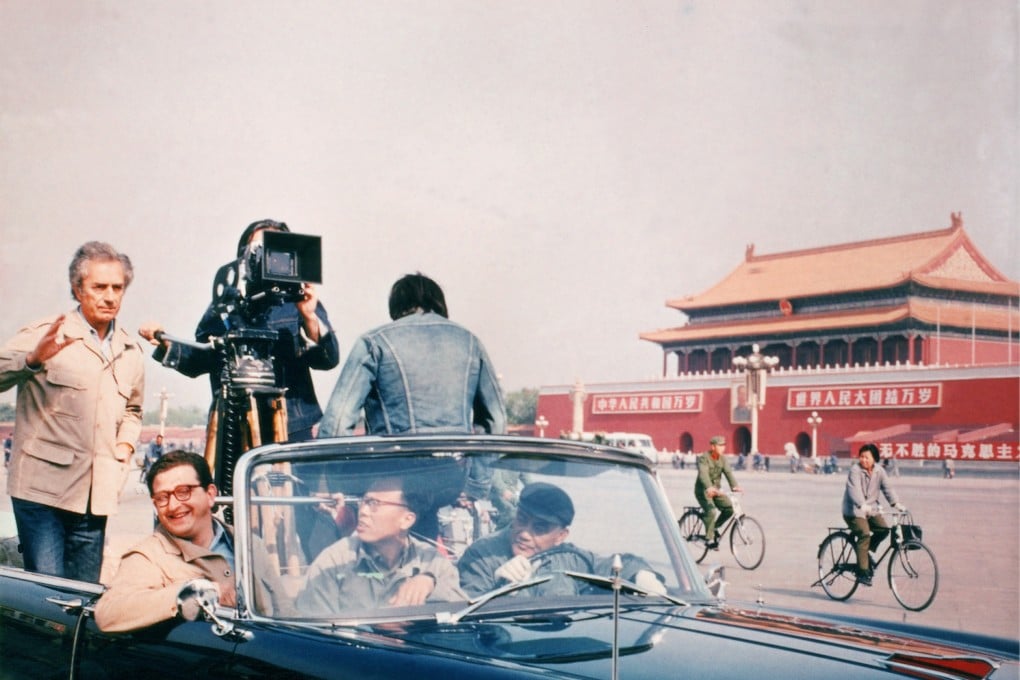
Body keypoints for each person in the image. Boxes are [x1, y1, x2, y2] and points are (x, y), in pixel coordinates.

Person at [0, 241, 144, 582]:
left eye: (117, 287)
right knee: (49, 598)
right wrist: (32, 360)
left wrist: (123, 450)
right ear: (78, 289)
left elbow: (134, 411)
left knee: (84, 601)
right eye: (99, 287)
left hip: (96, 498)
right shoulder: (47, 334)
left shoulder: (130, 351)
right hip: (41, 493)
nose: (110, 297)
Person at [139, 219, 339, 443]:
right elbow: (202, 359)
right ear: (243, 256)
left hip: (291, 424)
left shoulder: (298, 303)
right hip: (235, 424)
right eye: (258, 248)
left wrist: (309, 316)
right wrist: (167, 344)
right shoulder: (225, 306)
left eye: (274, 248)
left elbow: (328, 359)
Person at [95, 451, 288, 631]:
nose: (173, 505)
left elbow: (286, 611)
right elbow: (108, 613)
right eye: (162, 498)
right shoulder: (148, 557)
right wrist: (194, 593)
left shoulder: (249, 544)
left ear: (210, 494)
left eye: (183, 491)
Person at [318, 272, 505, 440]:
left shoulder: (375, 342)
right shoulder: (470, 341)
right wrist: (478, 478)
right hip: (455, 470)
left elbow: (337, 423)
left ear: (396, 306)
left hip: (393, 471)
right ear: (440, 303)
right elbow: (495, 420)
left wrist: (336, 474)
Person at [458, 482, 664, 596]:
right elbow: (464, 621)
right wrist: (500, 589)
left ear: (560, 536)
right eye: (521, 520)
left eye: (540, 528)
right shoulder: (482, 555)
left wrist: (642, 575)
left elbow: (615, 565)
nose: (524, 533)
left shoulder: (568, 557)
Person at [296, 476, 464, 613]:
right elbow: (315, 635)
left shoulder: (431, 561)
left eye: (374, 504)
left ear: (407, 520)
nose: (363, 511)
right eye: (364, 501)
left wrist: (429, 583)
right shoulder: (334, 562)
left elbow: (463, 612)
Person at [841, 443, 905, 586]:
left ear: (874, 458)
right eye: (861, 457)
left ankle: (863, 552)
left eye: (867, 457)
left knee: (883, 530)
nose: (863, 460)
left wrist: (896, 504)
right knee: (864, 534)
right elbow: (854, 489)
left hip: (871, 510)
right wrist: (861, 504)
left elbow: (887, 488)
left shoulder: (879, 471)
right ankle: (862, 572)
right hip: (853, 511)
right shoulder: (855, 470)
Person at [695, 436, 743, 549]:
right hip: (703, 491)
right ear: (712, 446)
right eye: (720, 445)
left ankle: (714, 527)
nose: (723, 448)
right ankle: (709, 538)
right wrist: (709, 487)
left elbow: (728, 472)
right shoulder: (704, 458)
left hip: (716, 491)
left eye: (724, 445)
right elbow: (703, 474)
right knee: (711, 511)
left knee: (729, 508)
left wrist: (735, 486)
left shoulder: (723, 459)